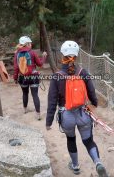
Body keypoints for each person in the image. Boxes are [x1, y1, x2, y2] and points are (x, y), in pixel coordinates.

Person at [46, 41, 108, 176]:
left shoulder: (57, 76)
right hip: (83, 114)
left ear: (62, 55)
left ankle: (75, 166)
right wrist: (95, 103)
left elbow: (52, 101)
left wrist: (48, 122)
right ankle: (98, 162)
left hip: (66, 116)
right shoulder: (82, 72)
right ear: (76, 55)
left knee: (71, 139)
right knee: (88, 141)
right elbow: (91, 92)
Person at [14, 36, 47, 120]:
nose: (31, 44)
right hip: (33, 77)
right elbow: (40, 64)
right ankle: (38, 114)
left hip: (22, 78)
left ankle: (25, 109)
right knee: (35, 95)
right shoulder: (32, 53)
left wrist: (15, 78)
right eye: (30, 43)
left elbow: (16, 68)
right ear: (27, 44)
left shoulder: (16, 53)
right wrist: (44, 57)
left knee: (25, 93)